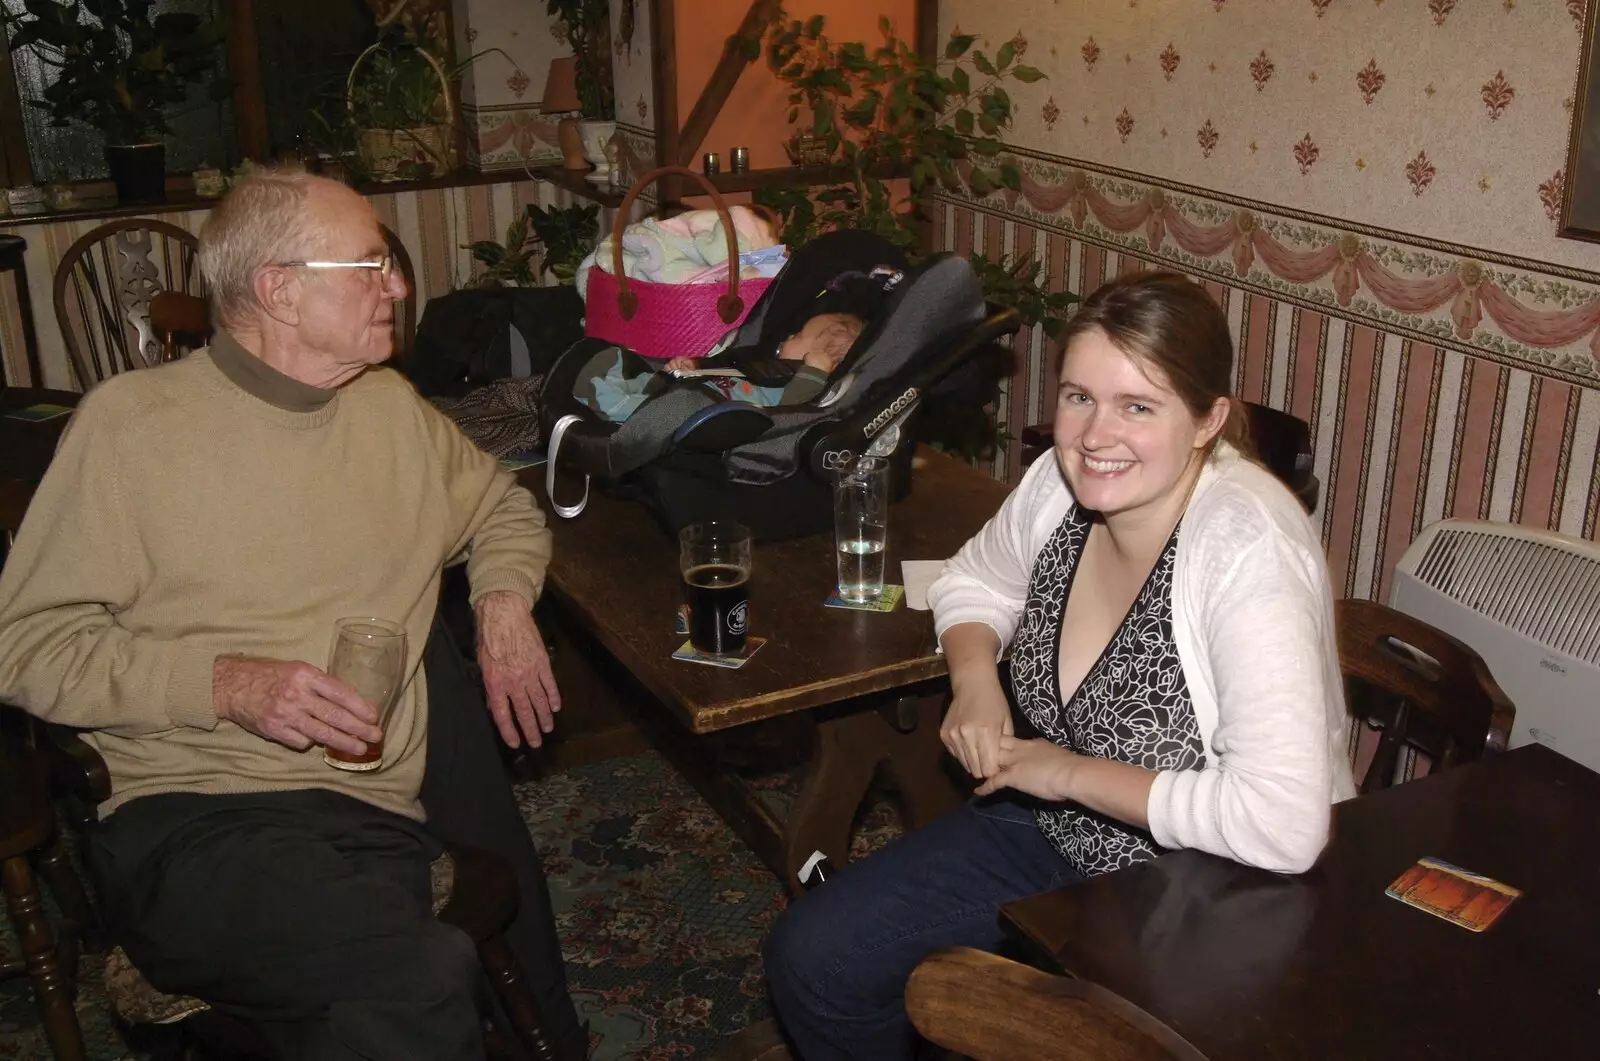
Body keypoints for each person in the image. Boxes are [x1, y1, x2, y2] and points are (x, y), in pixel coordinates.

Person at [0, 171, 586, 1061]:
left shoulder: (390, 410)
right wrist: (226, 685)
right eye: (369, 264)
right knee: (413, 982)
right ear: (278, 288)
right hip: (191, 819)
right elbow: (23, 646)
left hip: (366, 815)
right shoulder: (132, 428)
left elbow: (500, 511)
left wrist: (503, 602)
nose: (396, 283)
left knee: (380, 999)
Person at [762, 271, 1355, 1060]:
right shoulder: (1060, 482)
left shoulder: (1245, 551)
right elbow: (974, 578)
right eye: (1079, 396)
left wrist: (1067, 771)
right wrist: (974, 677)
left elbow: (1282, 825)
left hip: (1208, 880)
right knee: (814, 956)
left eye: (1137, 406)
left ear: (1208, 420)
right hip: (1054, 830)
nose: (1094, 436)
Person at [582, 310, 865, 423]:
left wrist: (814, 373)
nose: (788, 337)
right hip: (697, 387)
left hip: (704, 411)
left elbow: (790, 414)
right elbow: (730, 368)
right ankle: (613, 383)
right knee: (648, 380)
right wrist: (694, 367)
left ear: (817, 358)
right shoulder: (770, 367)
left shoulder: (802, 387)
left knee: (663, 407)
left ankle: (608, 401)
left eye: (798, 335)